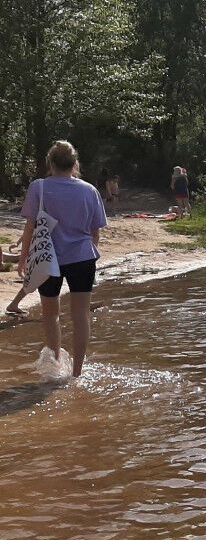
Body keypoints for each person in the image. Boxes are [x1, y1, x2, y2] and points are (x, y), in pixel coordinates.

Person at [18, 140, 107, 378]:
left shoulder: (39, 188)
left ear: (50, 163)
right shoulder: (89, 190)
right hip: (82, 258)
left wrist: (24, 257)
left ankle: (56, 363)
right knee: (81, 315)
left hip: (47, 258)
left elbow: (30, 226)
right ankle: (77, 373)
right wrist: (91, 254)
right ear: (75, 164)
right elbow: (95, 231)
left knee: (50, 313)